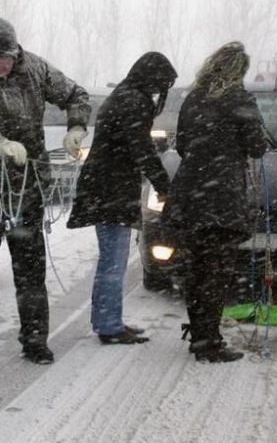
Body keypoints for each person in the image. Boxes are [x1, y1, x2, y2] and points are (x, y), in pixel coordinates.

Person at [0, 17, 91, 368]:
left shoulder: (37, 70)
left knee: (30, 271)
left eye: (4, 57)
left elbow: (76, 94)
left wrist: (75, 128)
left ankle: (35, 341)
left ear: (16, 53)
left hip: (26, 189)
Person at [161, 42, 266, 363]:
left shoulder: (193, 97)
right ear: (239, 71)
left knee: (196, 268)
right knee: (216, 272)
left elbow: (182, 145)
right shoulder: (240, 99)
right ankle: (209, 341)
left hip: (191, 193)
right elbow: (257, 146)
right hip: (222, 196)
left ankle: (200, 332)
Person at [67, 52, 177, 344]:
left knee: (111, 260)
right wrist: (164, 185)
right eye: (160, 85)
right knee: (113, 262)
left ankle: (107, 321)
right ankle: (109, 327)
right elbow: (142, 149)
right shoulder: (133, 101)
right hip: (110, 190)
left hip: (105, 187)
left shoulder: (124, 94)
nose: (159, 92)